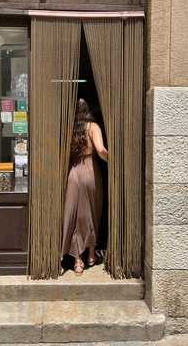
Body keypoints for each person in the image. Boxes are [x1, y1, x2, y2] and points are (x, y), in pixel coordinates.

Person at [61, 98, 108, 275]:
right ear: (88, 110)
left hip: (73, 172)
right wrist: (115, 160)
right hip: (90, 172)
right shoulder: (93, 127)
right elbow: (101, 150)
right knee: (91, 213)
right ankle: (90, 255)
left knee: (74, 215)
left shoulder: (69, 128)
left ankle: (77, 261)